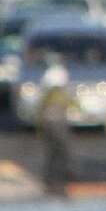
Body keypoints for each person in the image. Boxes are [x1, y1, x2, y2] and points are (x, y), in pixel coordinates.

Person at [38, 63, 74, 195]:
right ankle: (59, 180)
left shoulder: (48, 95)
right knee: (60, 153)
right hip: (58, 126)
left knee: (52, 154)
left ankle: (51, 180)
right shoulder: (59, 94)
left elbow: (40, 112)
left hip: (49, 126)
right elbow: (72, 104)